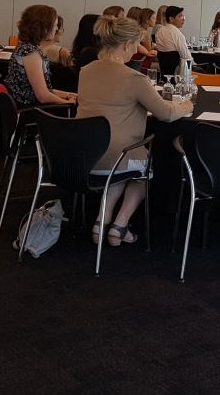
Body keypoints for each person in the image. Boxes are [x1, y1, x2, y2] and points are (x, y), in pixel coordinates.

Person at [77, 16, 192, 246]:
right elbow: (166, 113)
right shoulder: (134, 78)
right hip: (118, 156)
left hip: (83, 155)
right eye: (137, 44)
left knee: (122, 164)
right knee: (142, 170)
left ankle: (102, 220)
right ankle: (120, 224)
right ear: (127, 44)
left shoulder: (85, 71)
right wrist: (186, 105)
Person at [3, 5, 77, 107]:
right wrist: (67, 102)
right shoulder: (31, 54)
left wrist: (70, 95)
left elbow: (45, 91)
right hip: (31, 109)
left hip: (27, 105)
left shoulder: (26, 48)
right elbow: (43, 96)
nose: (56, 29)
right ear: (44, 28)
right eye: (55, 25)